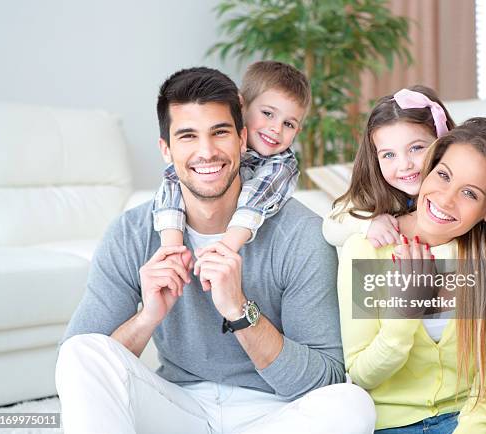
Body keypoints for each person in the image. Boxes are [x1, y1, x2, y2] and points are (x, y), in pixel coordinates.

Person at [55, 66, 376, 434]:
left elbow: (324, 379)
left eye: (219, 132)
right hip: (177, 406)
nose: (206, 152)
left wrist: (240, 312)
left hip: (274, 412)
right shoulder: (131, 233)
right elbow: (79, 371)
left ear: (242, 139)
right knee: (81, 351)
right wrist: (148, 318)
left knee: (352, 405)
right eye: (188, 136)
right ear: (166, 149)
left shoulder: (301, 234)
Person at [337, 118, 486, 433]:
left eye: (470, 194)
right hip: (391, 423)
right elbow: (362, 376)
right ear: (430, 169)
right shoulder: (365, 249)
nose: (445, 199)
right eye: (443, 175)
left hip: (467, 416)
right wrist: (404, 313)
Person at [153, 61, 309, 254]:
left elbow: (255, 201)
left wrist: (225, 248)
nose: (276, 129)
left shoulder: (281, 165)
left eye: (289, 124)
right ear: (241, 106)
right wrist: (171, 248)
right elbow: (172, 180)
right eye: (268, 113)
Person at [322, 86, 455, 249]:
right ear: (375, 159)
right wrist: (368, 225)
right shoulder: (375, 193)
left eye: (416, 148)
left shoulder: (456, 194)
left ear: (442, 143)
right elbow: (330, 228)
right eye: (389, 155)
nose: (405, 165)